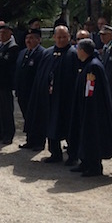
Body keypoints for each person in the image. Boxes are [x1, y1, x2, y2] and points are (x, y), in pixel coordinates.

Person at [27, 25, 79, 165]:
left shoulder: (73, 54)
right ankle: (55, 153)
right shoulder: (47, 53)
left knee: (68, 126)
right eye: (59, 37)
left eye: (64, 37)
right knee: (50, 124)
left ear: (69, 37)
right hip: (49, 98)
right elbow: (41, 75)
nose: (61, 40)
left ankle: (73, 155)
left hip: (66, 99)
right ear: (54, 37)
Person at [68, 39, 112, 176]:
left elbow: (91, 90)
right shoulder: (86, 64)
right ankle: (85, 162)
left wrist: (88, 106)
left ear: (82, 51)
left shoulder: (93, 66)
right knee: (83, 135)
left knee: (92, 136)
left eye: (78, 49)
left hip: (92, 109)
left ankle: (94, 166)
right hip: (83, 106)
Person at [0, 21, 20, 144]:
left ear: (10, 34)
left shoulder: (12, 47)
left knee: (6, 109)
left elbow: (5, 61)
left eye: (5, 33)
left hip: (5, 82)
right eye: (0, 33)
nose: (2, 35)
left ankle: (8, 133)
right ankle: (0, 131)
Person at [16, 27, 46, 150]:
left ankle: (39, 142)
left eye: (32, 38)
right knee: (27, 117)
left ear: (38, 40)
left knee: (37, 117)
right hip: (23, 92)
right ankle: (30, 139)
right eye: (27, 38)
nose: (28, 40)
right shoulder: (23, 52)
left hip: (35, 92)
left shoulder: (43, 54)